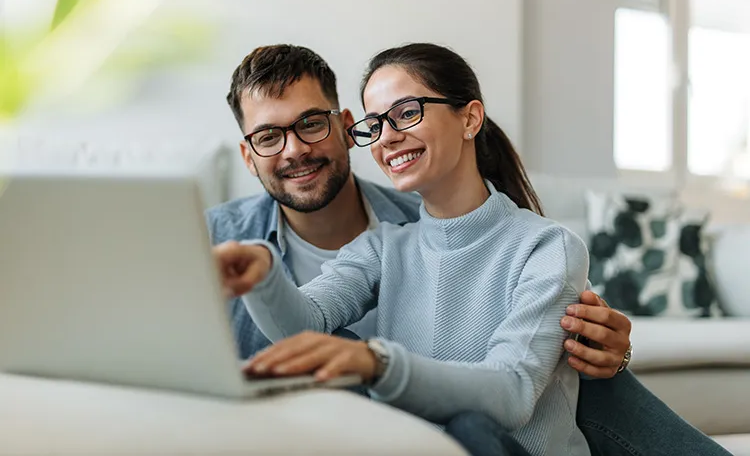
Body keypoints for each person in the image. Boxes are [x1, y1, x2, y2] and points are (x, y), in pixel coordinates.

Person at [206, 44, 731, 456]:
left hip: (495, 443)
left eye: (406, 113)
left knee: (471, 426)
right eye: (377, 125)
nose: (386, 137)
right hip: (415, 447)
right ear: (248, 156)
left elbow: (514, 391)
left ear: (469, 118)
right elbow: (308, 321)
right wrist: (263, 274)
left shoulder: (546, 246)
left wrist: (374, 361)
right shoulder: (385, 244)